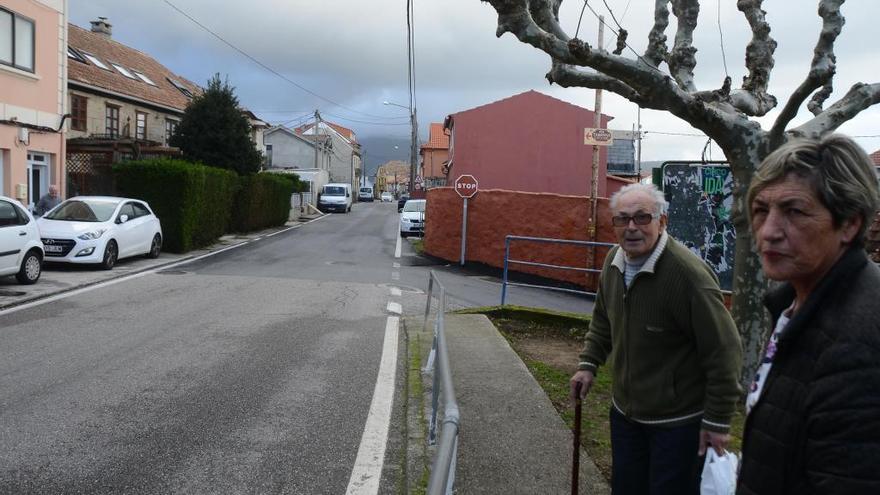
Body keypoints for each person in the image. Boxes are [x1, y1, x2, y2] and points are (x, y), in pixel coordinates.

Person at [569, 183, 742, 495]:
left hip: (679, 423)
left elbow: (724, 352)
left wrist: (717, 420)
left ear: (662, 222)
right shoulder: (613, 262)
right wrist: (588, 364)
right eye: (622, 219)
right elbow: (603, 320)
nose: (631, 227)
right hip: (625, 414)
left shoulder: (689, 277)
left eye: (642, 218)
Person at [737, 134, 880, 495]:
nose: (769, 232)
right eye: (761, 210)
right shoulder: (795, 302)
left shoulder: (856, 345)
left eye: (794, 211)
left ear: (849, 223)